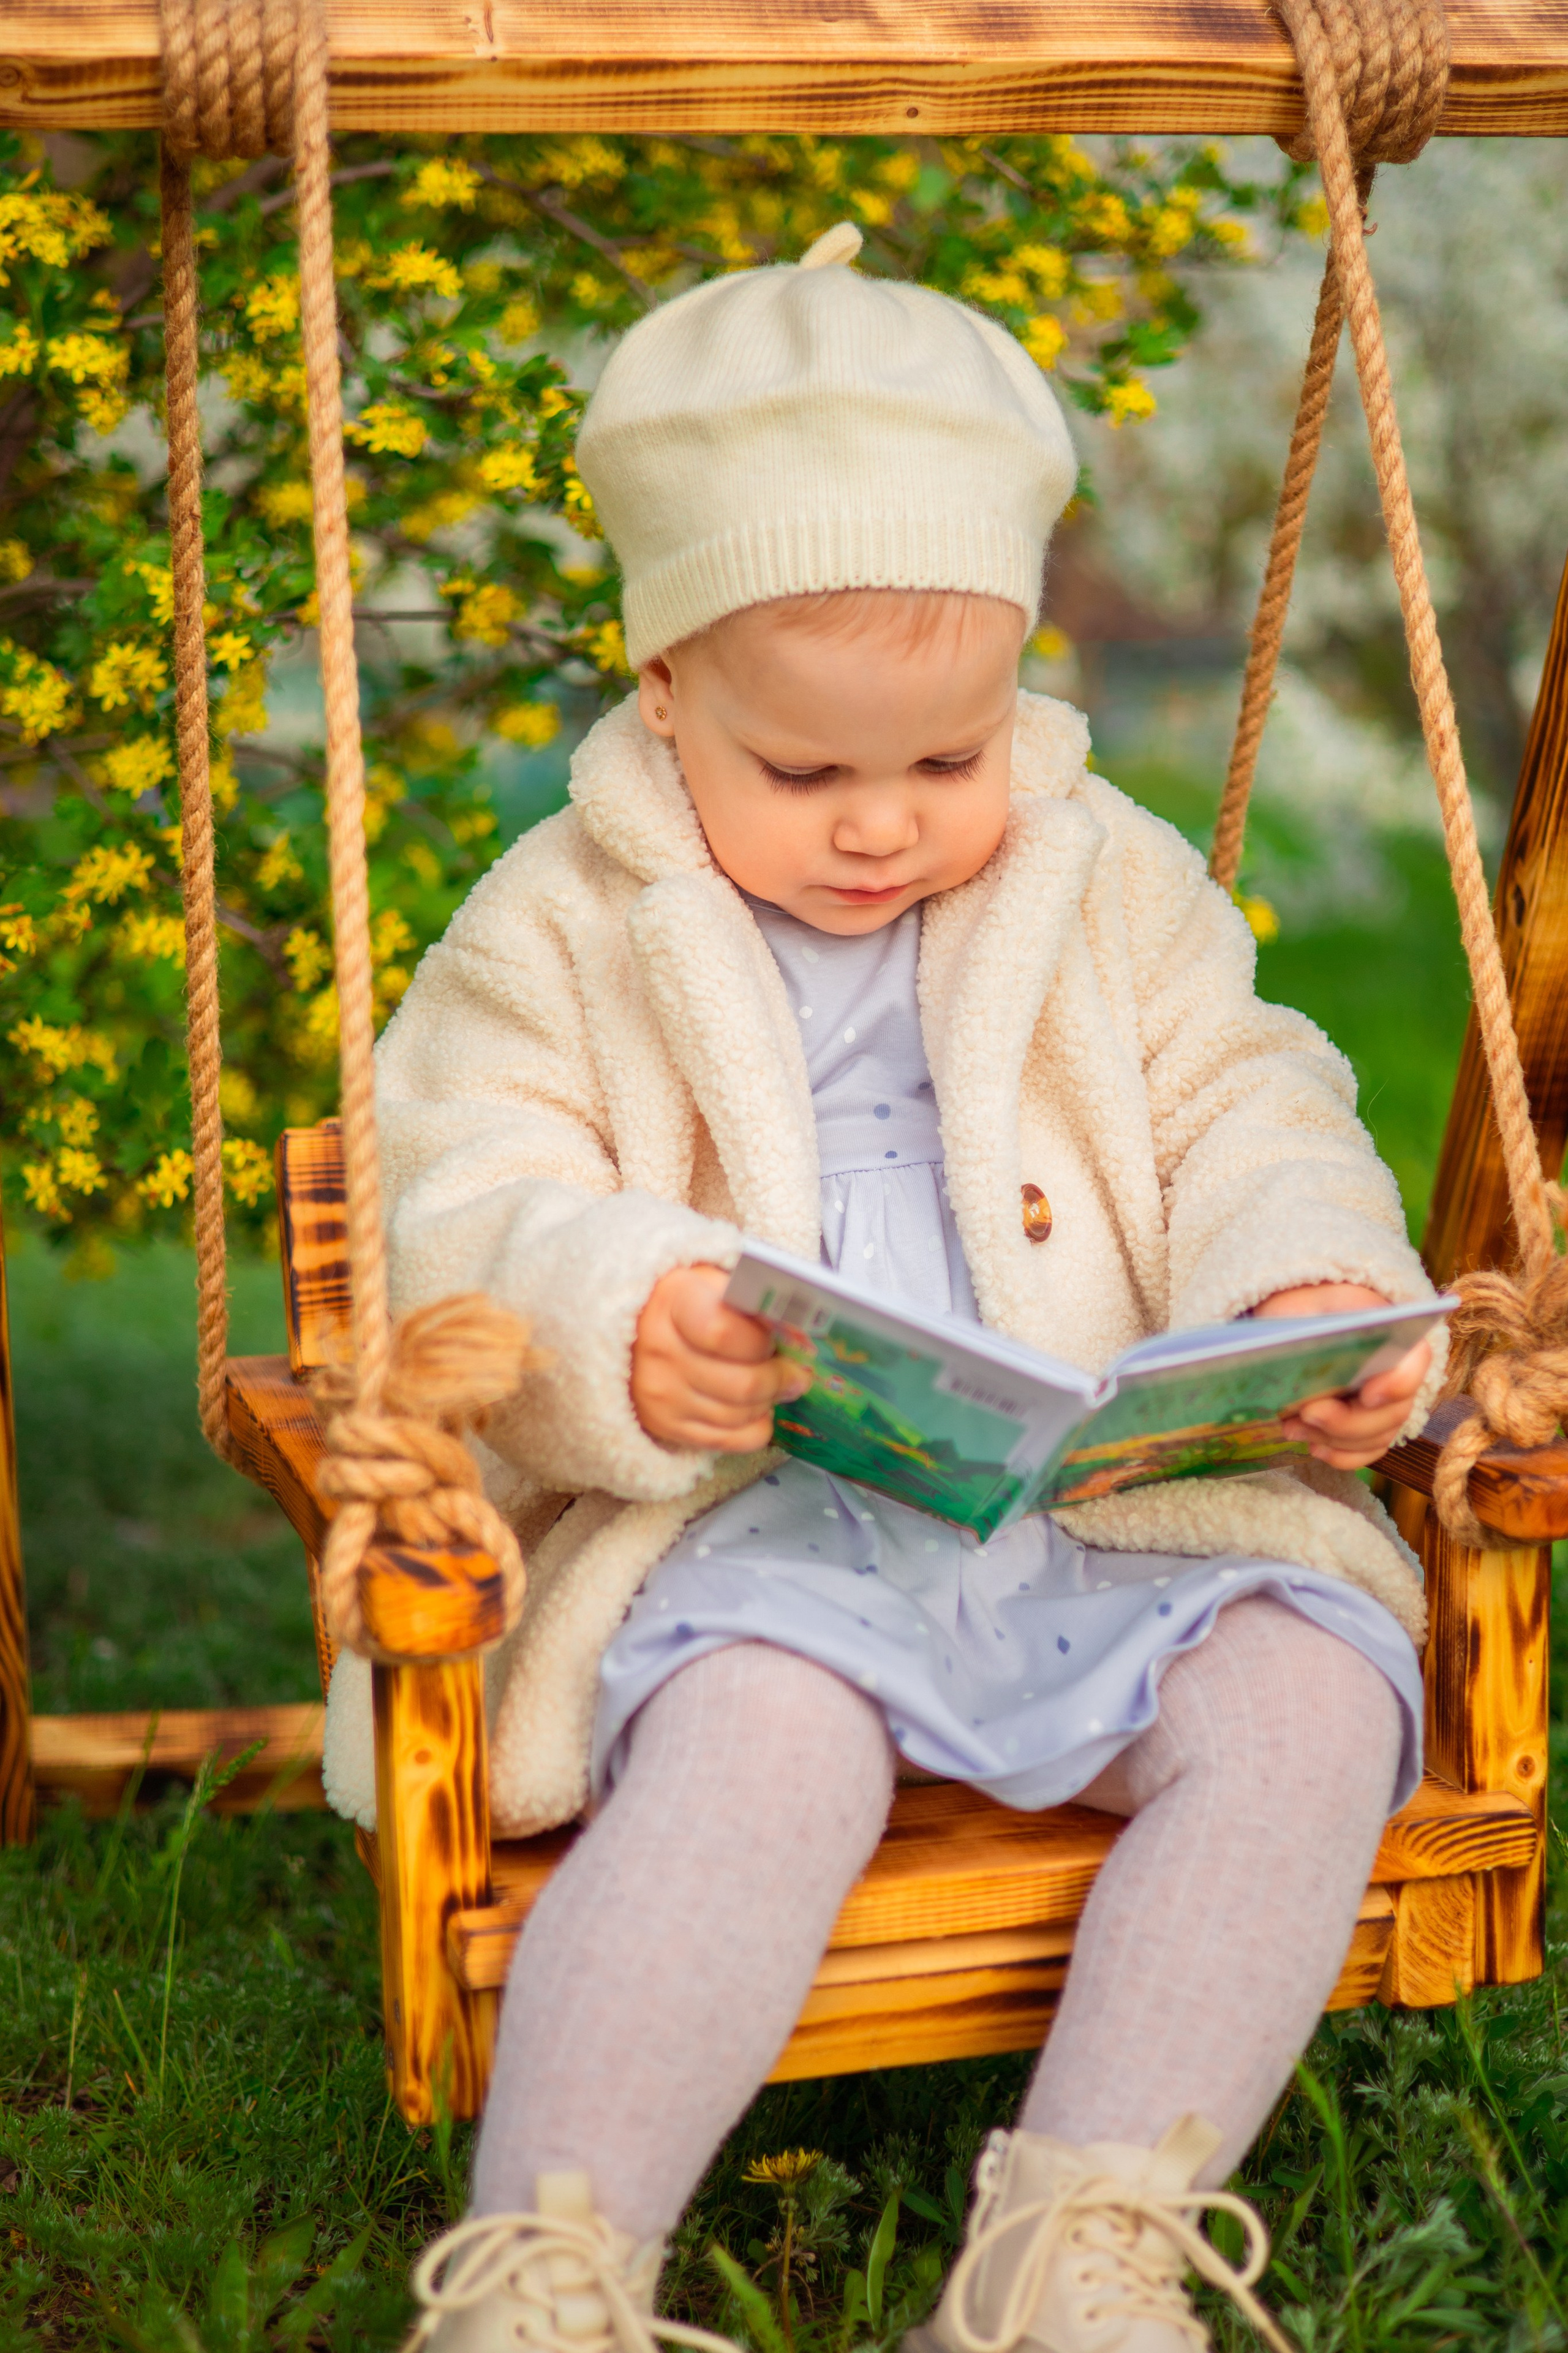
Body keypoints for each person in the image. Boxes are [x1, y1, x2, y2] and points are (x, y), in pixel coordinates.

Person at [323, 221, 1443, 2353]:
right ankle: (552, 2266)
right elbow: (456, 1189)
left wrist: (1299, 1275)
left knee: (1314, 1695)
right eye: (808, 773)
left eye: (943, 762)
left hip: (1098, 1520)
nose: (883, 827)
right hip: (762, 1536)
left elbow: (1248, 1098)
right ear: (664, 691)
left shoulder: (1107, 873)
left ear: (1016, 679)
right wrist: (620, 1305)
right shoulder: (564, 920)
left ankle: (1077, 2249)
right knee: (763, 1741)